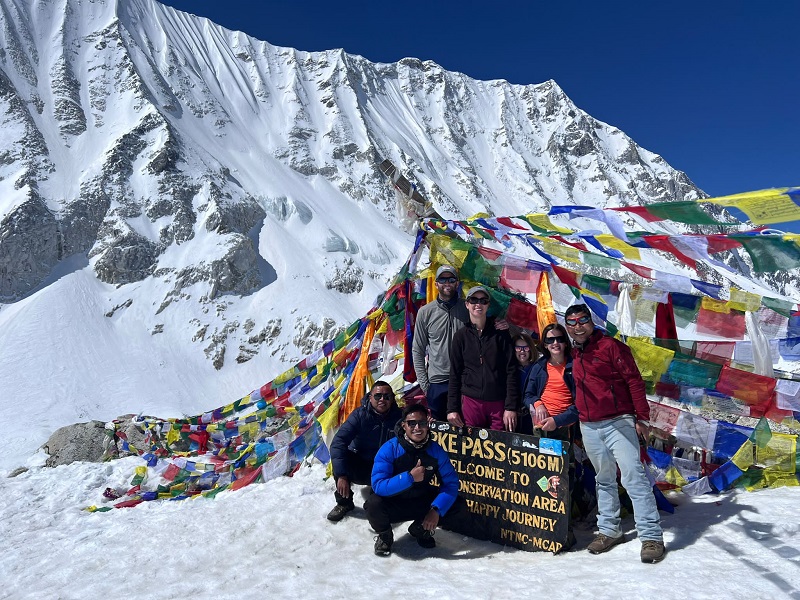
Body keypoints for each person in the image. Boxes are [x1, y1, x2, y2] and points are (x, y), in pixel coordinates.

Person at [564, 303, 665, 563]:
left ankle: (651, 537)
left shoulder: (611, 347)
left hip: (618, 421)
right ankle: (610, 530)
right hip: (589, 425)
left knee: (634, 477)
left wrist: (641, 417)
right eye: (572, 322)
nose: (578, 326)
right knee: (604, 478)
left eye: (582, 320)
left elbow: (633, 380)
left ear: (591, 321)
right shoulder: (575, 354)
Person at [367, 404, 463, 556]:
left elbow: (451, 484)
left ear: (428, 425)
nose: (417, 428)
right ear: (404, 425)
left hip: (421, 500)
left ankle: (421, 529)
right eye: (412, 423)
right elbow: (378, 485)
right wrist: (409, 477)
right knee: (373, 504)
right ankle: (385, 535)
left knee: (457, 504)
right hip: (394, 503)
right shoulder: (389, 448)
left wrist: (436, 509)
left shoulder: (436, 450)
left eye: (422, 423)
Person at [327, 380, 402, 522]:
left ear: (392, 399)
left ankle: (378, 505)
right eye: (378, 396)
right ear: (370, 397)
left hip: (386, 467)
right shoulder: (359, 415)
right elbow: (338, 443)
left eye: (387, 396)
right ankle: (344, 503)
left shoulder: (400, 417)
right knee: (342, 459)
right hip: (362, 464)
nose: (382, 400)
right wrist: (342, 475)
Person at [447, 286, 519, 431]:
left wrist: (511, 406)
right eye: (473, 300)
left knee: (499, 447)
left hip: (497, 402)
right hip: (471, 401)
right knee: (471, 448)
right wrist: (451, 409)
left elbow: (511, 370)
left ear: (488, 305)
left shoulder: (501, 333)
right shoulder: (461, 336)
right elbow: (455, 373)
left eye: (483, 301)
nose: (478, 304)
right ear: (467, 304)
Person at [411, 265, 468, 420]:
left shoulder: (468, 308)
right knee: (441, 433)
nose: (447, 283)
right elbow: (418, 350)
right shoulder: (425, 312)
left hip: (465, 380)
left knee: (467, 430)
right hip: (437, 383)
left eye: (451, 279)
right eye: (442, 279)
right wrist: (425, 386)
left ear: (457, 283)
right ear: (436, 284)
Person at [513, 332, 539, 435]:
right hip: (513, 415)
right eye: (518, 348)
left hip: (532, 416)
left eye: (525, 348)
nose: (522, 351)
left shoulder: (537, 368)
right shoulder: (510, 369)